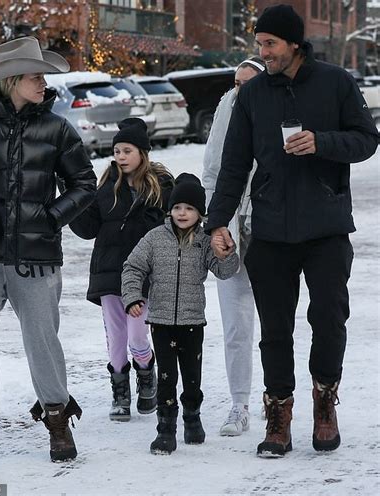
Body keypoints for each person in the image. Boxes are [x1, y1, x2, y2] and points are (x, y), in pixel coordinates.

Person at [206, 4, 378, 458]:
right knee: (275, 329)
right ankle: (278, 413)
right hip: (271, 229)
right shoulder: (254, 94)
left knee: (328, 318)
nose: (262, 53)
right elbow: (234, 165)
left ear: (295, 44)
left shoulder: (337, 82)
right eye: (259, 44)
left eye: (270, 44)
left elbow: (366, 139)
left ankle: (324, 402)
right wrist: (217, 222)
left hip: (326, 226)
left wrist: (322, 142)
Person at [0, 37, 97, 484]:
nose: (43, 82)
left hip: (37, 256)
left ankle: (57, 422)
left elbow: (85, 184)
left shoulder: (56, 128)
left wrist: (50, 218)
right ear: (11, 80)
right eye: (35, 75)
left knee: (42, 342)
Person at [121, 173, 239, 454]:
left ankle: (192, 417)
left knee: (191, 375)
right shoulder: (154, 239)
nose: (182, 213)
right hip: (161, 321)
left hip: (192, 321)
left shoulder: (204, 240)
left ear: (200, 213)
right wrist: (133, 297)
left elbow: (224, 272)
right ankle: (166, 428)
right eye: (176, 208)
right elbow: (133, 267)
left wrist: (227, 253)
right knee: (166, 377)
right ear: (169, 210)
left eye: (189, 208)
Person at [69, 118, 173, 421]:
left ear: (142, 152)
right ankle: (120, 392)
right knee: (116, 338)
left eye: (127, 150)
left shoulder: (160, 187)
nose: (121, 156)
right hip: (108, 271)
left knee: (137, 337)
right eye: (117, 150)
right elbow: (88, 228)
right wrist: (74, 202)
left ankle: (146, 372)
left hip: (142, 274)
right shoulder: (105, 188)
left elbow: (169, 225)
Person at [202, 56, 265, 436]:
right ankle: (239, 403)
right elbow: (212, 172)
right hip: (230, 230)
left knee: (275, 323)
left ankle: (277, 399)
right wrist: (216, 224)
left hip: (272, 230)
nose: (240, 89)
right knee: (235, 325)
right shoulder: (226, 110)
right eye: (236, 82)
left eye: (248, 82)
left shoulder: (277, 111)